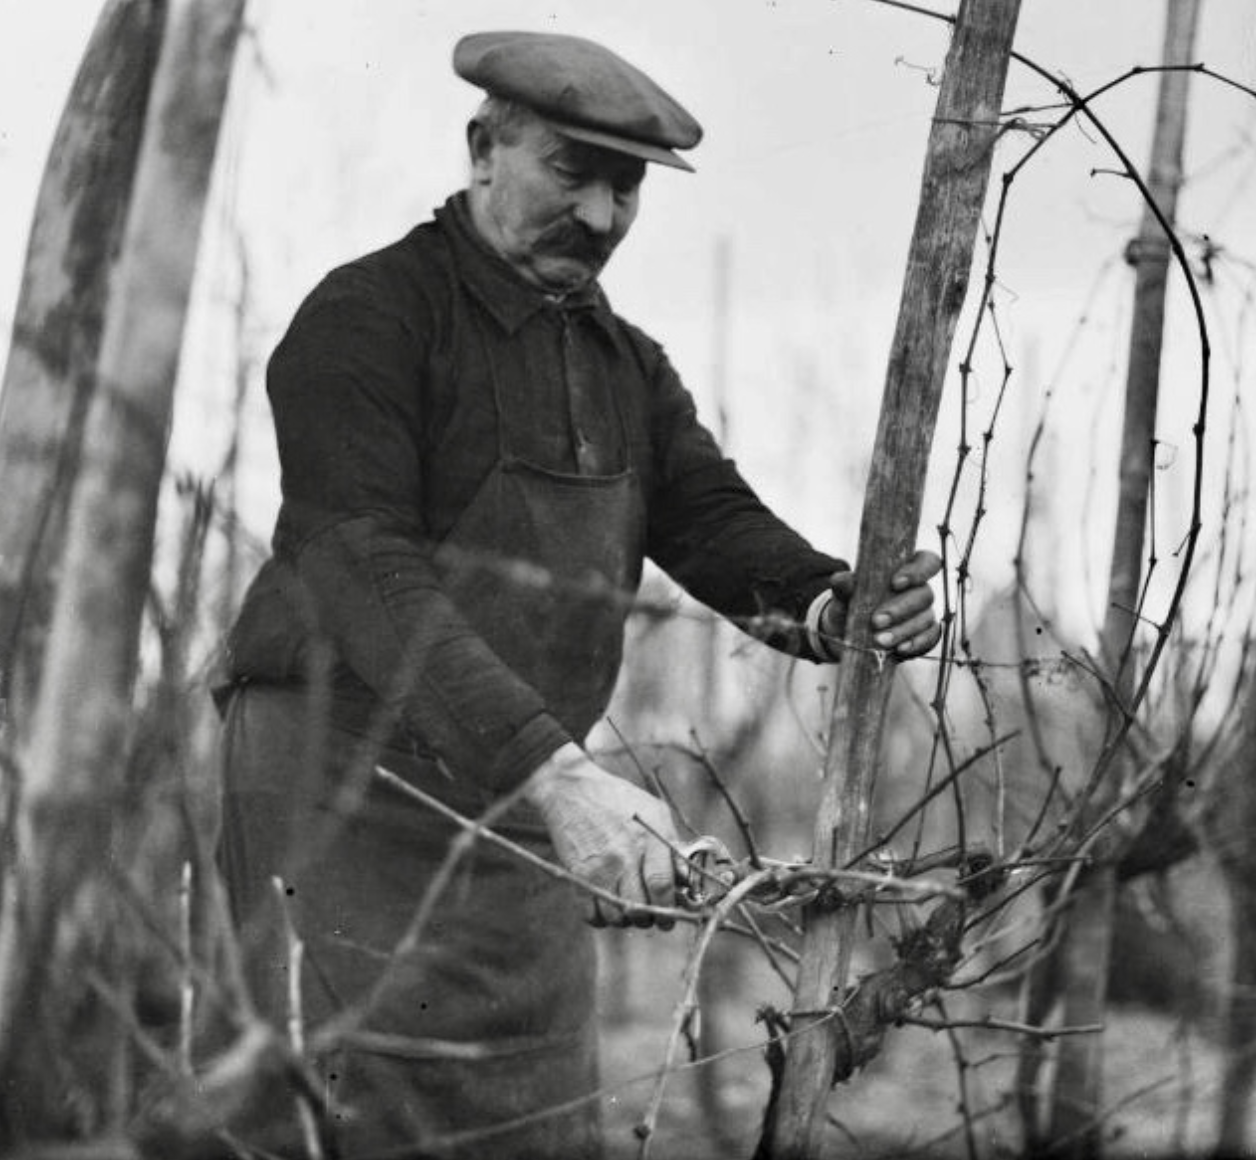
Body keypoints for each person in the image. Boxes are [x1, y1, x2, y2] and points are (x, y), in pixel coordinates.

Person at [216, 29, 942, 1160]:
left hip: (521, 798)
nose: (601, 217)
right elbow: (358, 558)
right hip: (340, 785)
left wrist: (823, 602)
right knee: (347, 1109)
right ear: (481, 150)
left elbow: (705, 517)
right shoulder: (366, 319)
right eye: (571, 171)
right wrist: (560, 777)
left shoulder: (625, 366)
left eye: (626, 186)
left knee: (537, 1117)